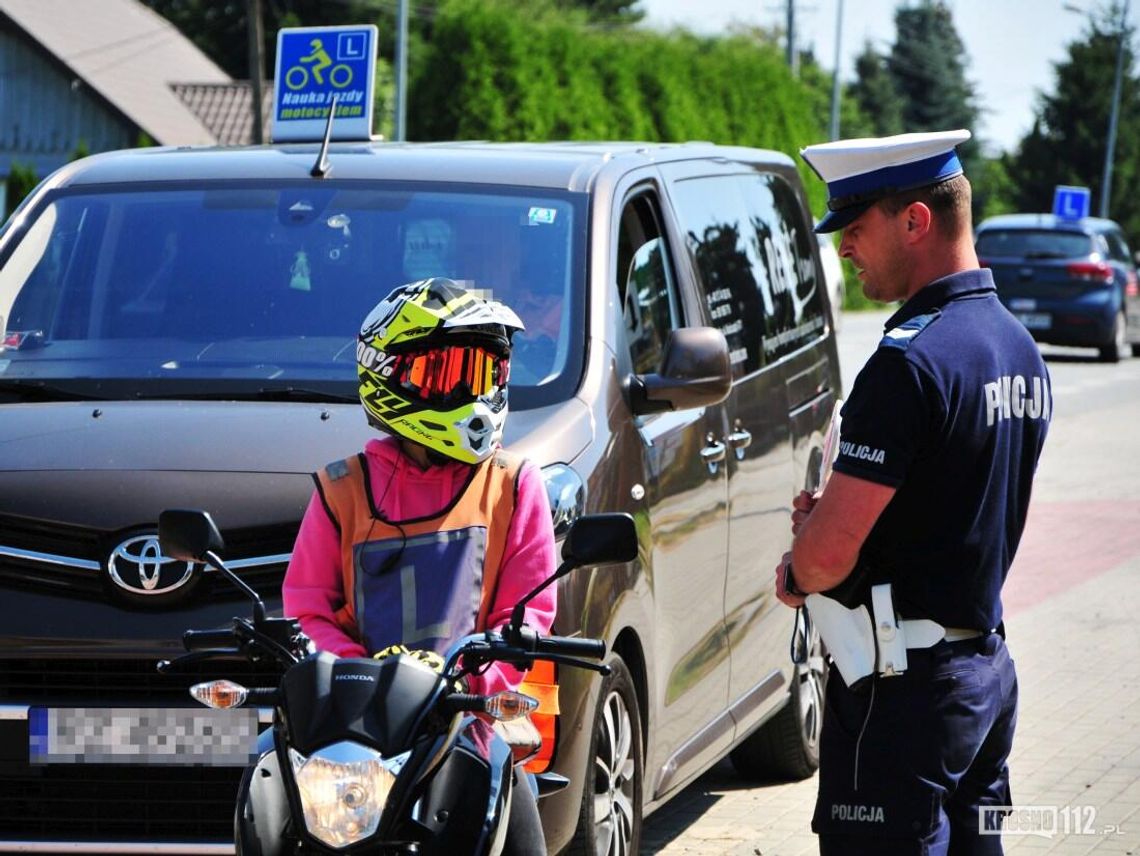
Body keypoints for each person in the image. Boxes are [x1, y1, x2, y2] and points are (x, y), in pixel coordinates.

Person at [775, 130, 1051, 855]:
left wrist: (803, 560)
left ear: (915, 221)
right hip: (982, 678)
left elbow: (826, 559)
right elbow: (950, 505)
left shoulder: (911, 362)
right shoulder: (1017, 346)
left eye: (856, 228)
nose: (844, 249)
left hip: (903, 698)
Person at [283, 277, 556, 855]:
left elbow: (527, 615)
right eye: (448, 374)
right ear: (390, 375)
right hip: (355, 731)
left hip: (475, 720)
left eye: (485, 374)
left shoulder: (513, 485)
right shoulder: (342, 489)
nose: (472, 394)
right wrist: (363, 679)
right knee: (269, 786)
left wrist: (468, 678)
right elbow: (307, 608)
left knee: (517, 818)